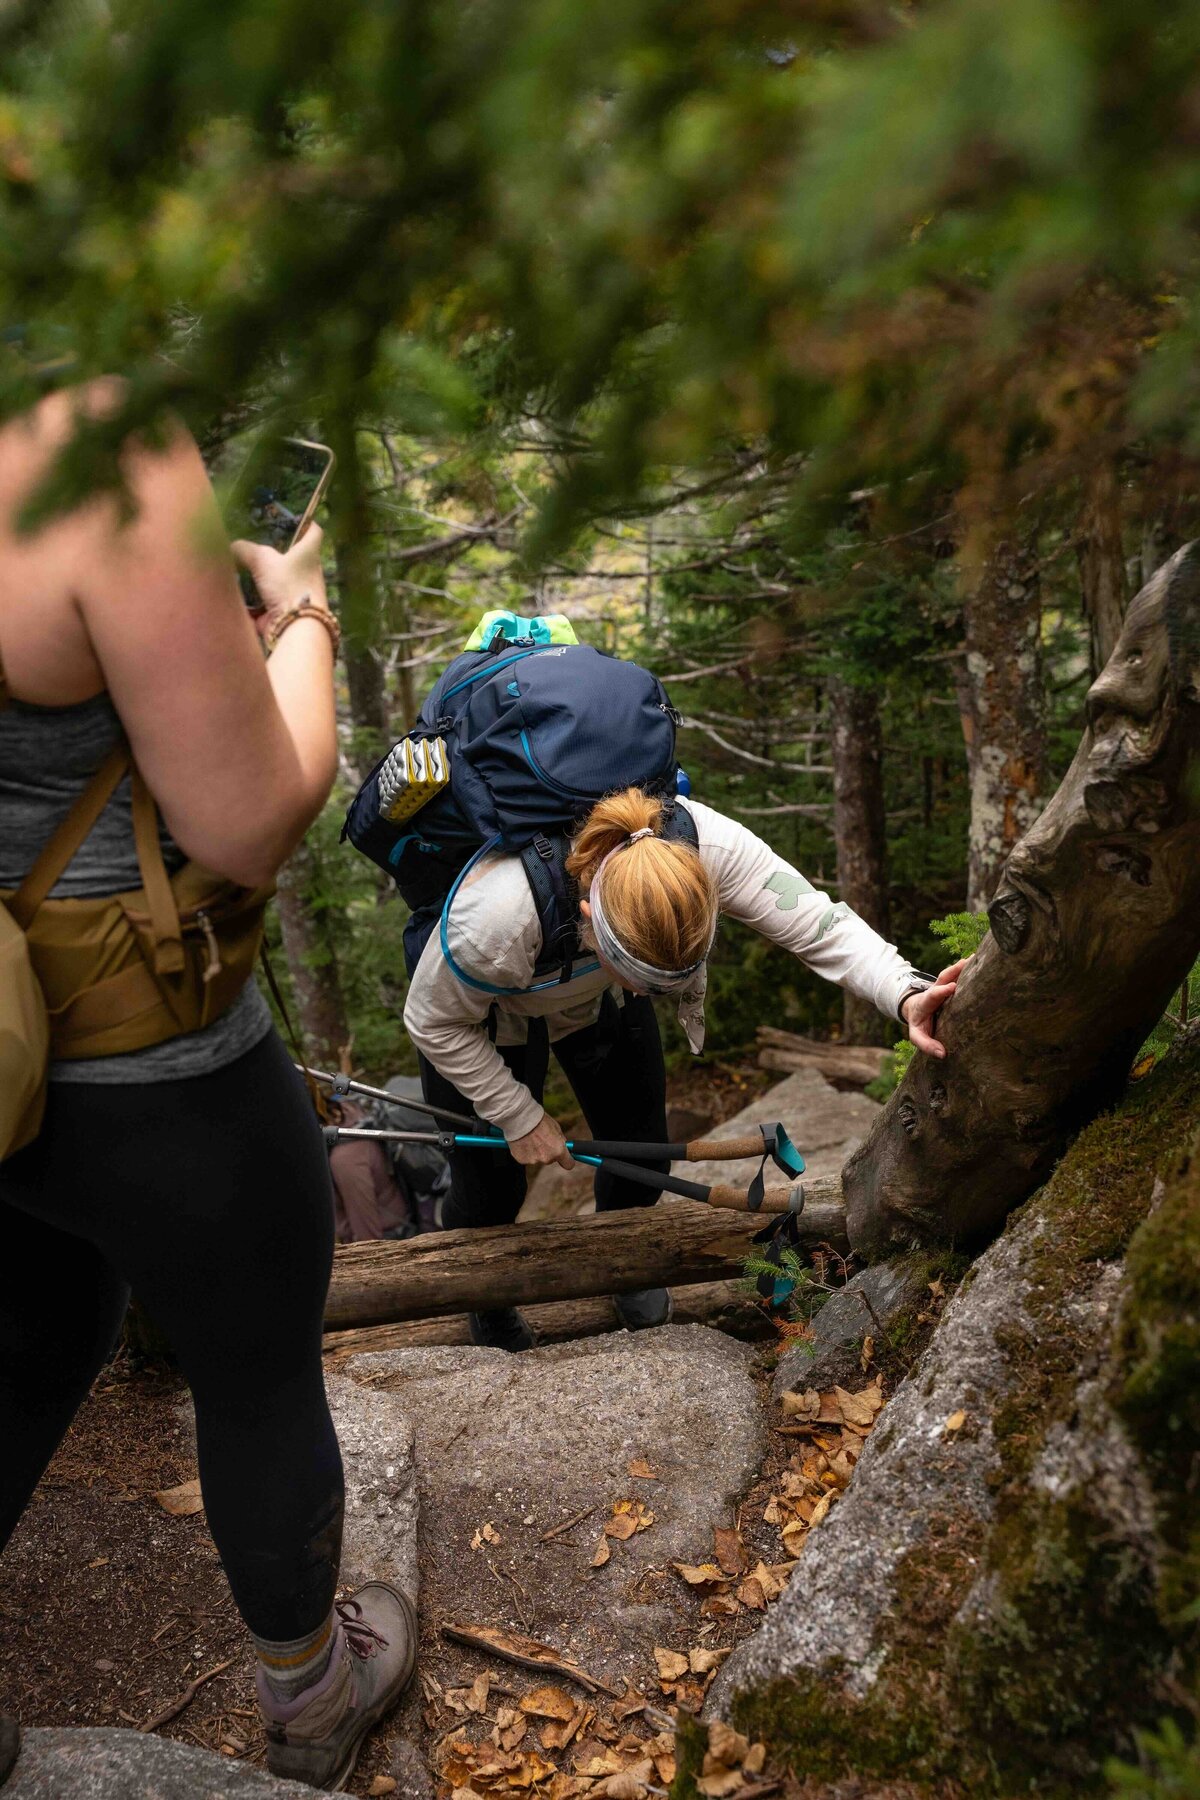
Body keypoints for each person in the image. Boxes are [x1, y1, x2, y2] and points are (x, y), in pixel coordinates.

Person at [0, 383, 414, 1790]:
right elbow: (246, 816)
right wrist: (298, 616)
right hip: (137, 1056)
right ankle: (312, 1695)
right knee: (254, 1367)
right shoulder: (82, 440)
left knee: (38, 1317)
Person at [404, 787, 964, 1351]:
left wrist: (905, 991)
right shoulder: (492, 922)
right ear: (589, 916)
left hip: (600, 998)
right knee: (488, 1185)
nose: (657, 996)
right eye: (646, 981)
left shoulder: (706, 846)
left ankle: (627, 1268)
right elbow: (431, 1022)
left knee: (637, 1138)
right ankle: (486, 1295)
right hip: (487, 1017)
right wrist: (518, 1115)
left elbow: (813, 917)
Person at [326, 1097, 417, 1243]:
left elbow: (367, 1235)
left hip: (390, 1239)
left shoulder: (346, 1157)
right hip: (399, 1225)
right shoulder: (355, 1121)